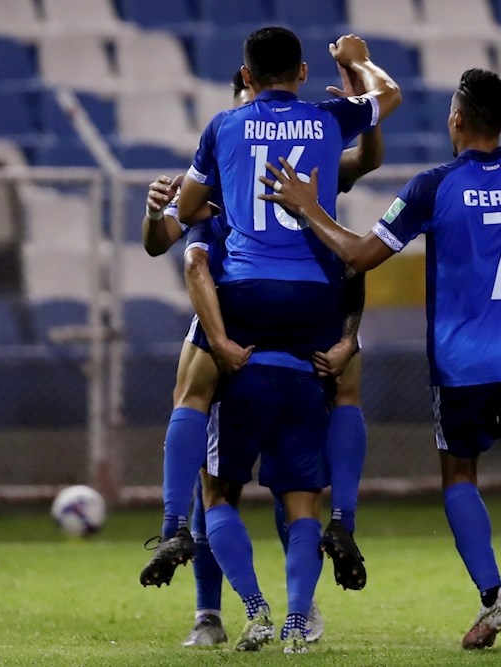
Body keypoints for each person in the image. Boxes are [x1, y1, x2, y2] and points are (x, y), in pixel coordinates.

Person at [260, 68, 501, 653]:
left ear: (455, 120)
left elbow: (358, 255)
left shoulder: (433, 187)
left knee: (460, 478)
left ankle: (493, 598)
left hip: (462, 367)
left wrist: (309, 207)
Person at [140, 59, 387, 648]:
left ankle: (255, 591)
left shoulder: (288, 164)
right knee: (261, 473)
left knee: (225, 469)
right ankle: (218, 609)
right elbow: (169, 244)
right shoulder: (219, 178)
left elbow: (366, 160)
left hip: (251, 322)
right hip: (249, 320)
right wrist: (154, 210)